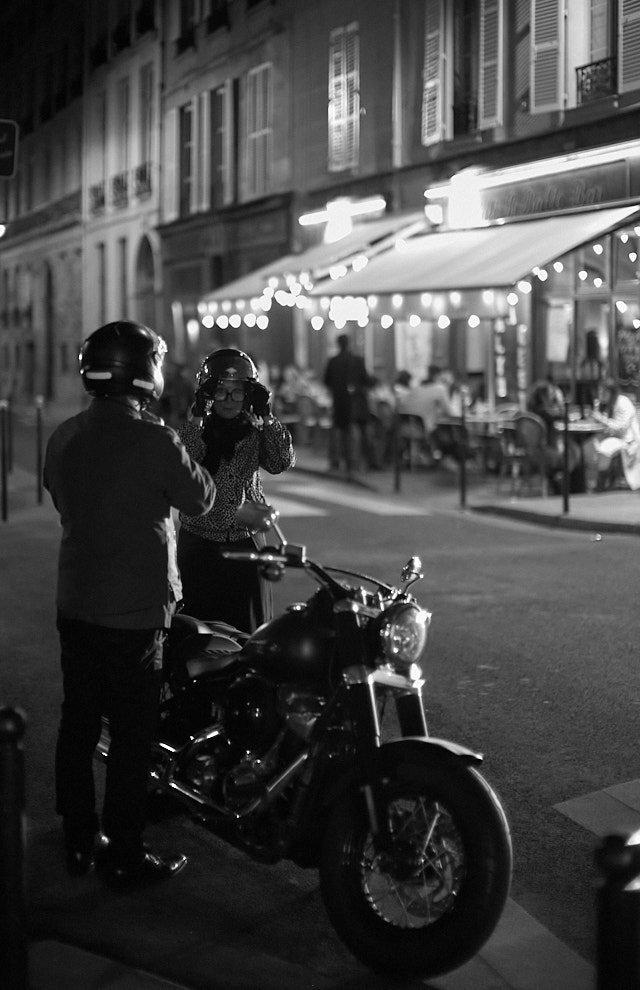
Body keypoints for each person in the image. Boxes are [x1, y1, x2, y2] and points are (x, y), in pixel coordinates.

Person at [43, 320, 216, 887]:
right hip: (137, 613)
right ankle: (122, 850)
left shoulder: (65, 435)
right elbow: (202, 497)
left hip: (76, 603)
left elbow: (61, 496)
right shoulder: (156, 439)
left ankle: (76, 839)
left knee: (78, 722)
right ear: (144, 372)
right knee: (132, 735)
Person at [177, 347, 295, 630]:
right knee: (197, 634)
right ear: (207, 394)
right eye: (221, 391)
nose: (229, 400)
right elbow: (182, 468)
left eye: (238, 392)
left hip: (246, 542)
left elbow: (281, 461)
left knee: (249, 631)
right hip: (199, 541)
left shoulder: (256, 430)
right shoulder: (194, 430)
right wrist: (197, 417)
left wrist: (267, 417)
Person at [323, 333, 375, 474]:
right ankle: (353, 463)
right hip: (354, 403)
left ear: (338, 344)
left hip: (338, 402)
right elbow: (366, 380)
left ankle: (336, 462)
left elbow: (326, 381)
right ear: (349, 343)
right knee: (353, 433)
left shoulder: (333, 361)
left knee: (338, 433)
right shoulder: (357, 360)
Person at [526, 377, 579, 493]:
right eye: (550, 394)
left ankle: (557, 479)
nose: (552, 396)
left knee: (570, 450)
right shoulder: (544, 412)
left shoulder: (531, 411)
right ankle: (565, 485)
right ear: (544, 396)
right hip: (544, 451)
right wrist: (561, 404)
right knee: (572, 452)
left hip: (531, 450)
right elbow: (561, 417)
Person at [589, 378, 640, 491]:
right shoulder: (606, 405)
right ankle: (588, 481)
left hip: (628, 440)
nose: (600, 395)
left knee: (604, 447)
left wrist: (601, 419)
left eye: (603, 392)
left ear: (611, 392)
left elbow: (621, 428)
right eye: (600, 392)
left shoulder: (622, 402)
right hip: (612, 436)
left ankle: (601, 483)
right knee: (588, 446)